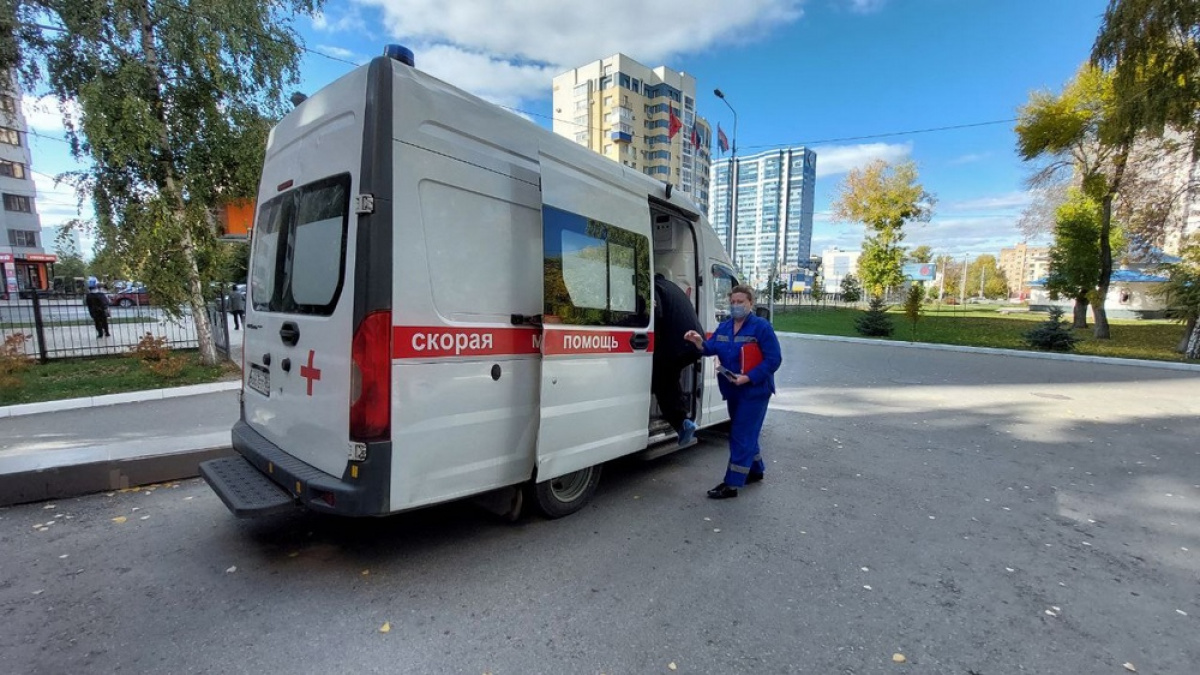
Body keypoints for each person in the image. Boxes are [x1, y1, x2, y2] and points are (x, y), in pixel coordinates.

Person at [684, 284, 782, 499]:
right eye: (733, 302)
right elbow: (711, 349)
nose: (736, 306)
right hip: (732, 388)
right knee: (746, 432)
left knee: (740, 434)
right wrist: (698, 341)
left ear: (750, 303)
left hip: (754, 390)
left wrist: (748, 377)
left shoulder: (761, 327)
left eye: (741, 302)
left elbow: (774, 359)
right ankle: (756, 470)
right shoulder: (725, 327)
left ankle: (732, 483)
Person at [652, 274, 704, 446]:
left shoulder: (656, 288)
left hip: (678, 344)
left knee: (661, 381)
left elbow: (655, 315)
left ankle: (681, 423)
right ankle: (683, 421)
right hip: (693, 343)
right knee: (669, 380)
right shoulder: (672, 287)